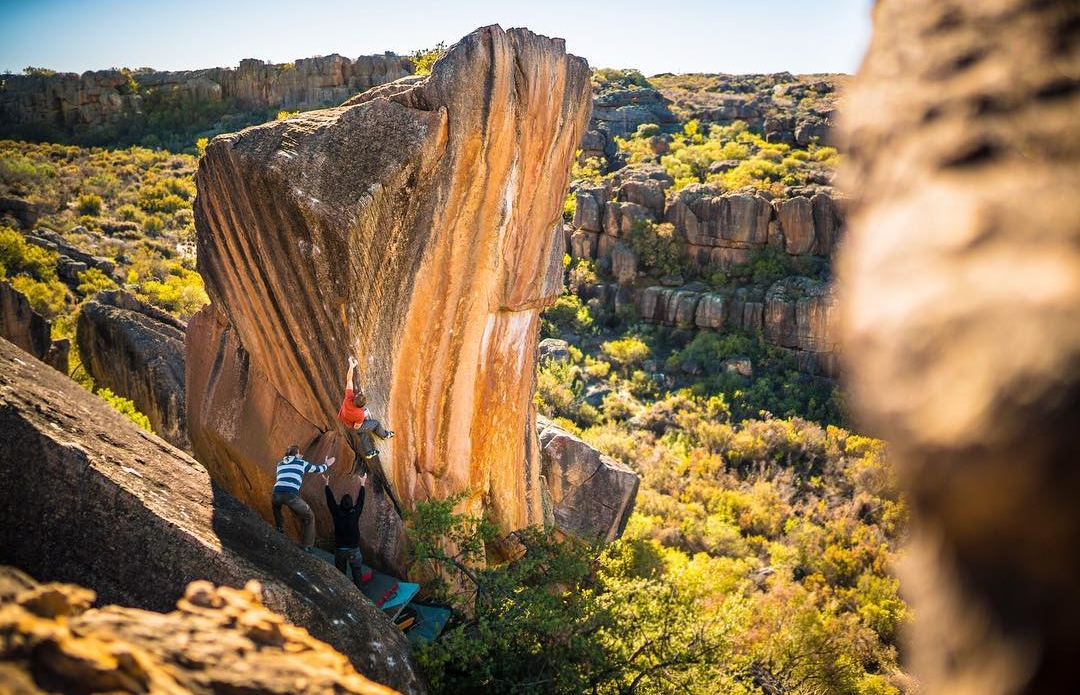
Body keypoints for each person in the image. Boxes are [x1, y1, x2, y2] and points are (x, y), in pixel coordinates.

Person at [272, 444, 335, 551]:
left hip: (276, 493)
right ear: (296, 454)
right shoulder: (301, 462)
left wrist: (297, 458)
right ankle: (307, 545)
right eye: (299, 453)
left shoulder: (280, 464)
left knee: (277, 508)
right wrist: (327, 464)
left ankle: (279, 528)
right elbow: (318, 469)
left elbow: (290, 466)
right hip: (290, 495)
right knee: (309, 516)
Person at [337, 355, 394, 467]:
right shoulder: (359, 415)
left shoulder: (348, 398)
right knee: (375, 424)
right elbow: (357, 427)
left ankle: (369, 452)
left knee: (363, 433)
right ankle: (384, 435)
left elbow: (349, 380)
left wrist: (351, 366)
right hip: (353, 425)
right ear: (361, 406)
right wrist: (364, 415)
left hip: (345, 418)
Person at [324, 472, 368, 587]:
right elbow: (361, 501)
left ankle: (343, 593)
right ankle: (360, 594)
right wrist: (362, 484)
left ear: (341, 504)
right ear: (351, 505)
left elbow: (330, 501)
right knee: (357, 573)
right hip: (353, 549)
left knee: (341, 574)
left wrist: (327, 485)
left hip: (340, 549)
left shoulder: (336, 512)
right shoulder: (355, 513)